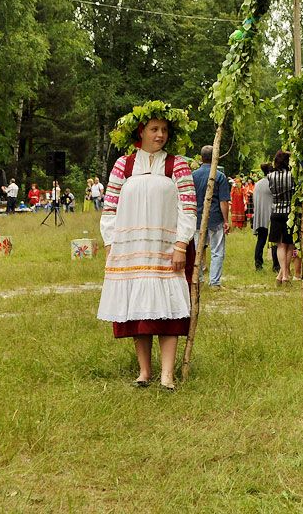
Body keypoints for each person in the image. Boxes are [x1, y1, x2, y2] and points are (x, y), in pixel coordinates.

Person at [97, 104, 197, 390]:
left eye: (164, 130)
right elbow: (110, 208)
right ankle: (144, 371)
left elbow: (188, 207)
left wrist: (181, 244)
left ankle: (167, 374)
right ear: (140, 131)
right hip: (131, 249)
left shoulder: (176, 165)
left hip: (167, 249)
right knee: (137, 309)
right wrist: (110, 244)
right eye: (154, 129)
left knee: (168, 309)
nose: (160, 134)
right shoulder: (123, 165)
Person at [191, 145, 231, 289]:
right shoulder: (219, 176)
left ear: (201, 158)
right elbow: (223, 201)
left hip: (197, 218)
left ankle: (198, 279)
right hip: (215, 218)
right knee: (217, 250)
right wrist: (226, 220)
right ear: (215, 157)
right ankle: (214, 282)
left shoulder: (193, 176)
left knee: (197, 250)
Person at [266, 150, 296, 285]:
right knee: (289, 244)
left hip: (276, 211)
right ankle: (285, 275)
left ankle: (282, 275)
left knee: (279, 245)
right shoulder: (292, 175)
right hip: (290, 212)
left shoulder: (270, 176)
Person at [252, 163, 279, 272]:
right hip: (272, 215)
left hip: (260, 215)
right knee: (274, 242)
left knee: (261, 240)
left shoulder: (258, 184)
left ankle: (258, 264)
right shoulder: (273, 183)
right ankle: (276, 265)